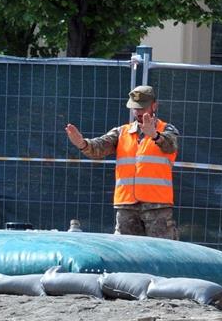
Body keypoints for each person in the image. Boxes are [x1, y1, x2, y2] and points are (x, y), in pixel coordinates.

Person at [64, 85, 179, 238]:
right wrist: (82, 144)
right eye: (135, 108)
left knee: (161, 253)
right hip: (126, 206)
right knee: (126, 254)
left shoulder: (167, 130)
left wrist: (155, 136)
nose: (138, 112)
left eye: (142, 108)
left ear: (154, 106)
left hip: (157, 207)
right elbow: (99, 147)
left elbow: (171, 146)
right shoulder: (122, 132)